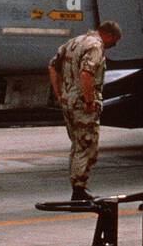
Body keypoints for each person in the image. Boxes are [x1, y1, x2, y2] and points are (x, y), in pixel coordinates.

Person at [48, 20, 122, 200]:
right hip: (82, 104)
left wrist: (59, 93)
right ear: (109, 35)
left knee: (77, 144)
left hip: (68, 102)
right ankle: (79, 189)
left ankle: (77, 186)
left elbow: (52, 65)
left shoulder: (74, 42)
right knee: (87, 145)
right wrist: (89, 101)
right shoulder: (96, 46)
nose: (114, 45)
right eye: (115, 41)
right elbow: (86, 73)